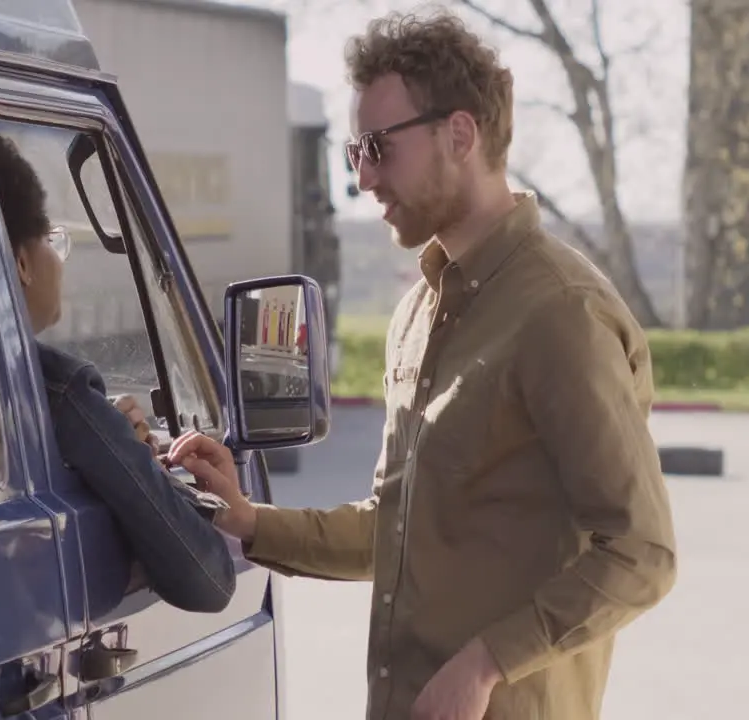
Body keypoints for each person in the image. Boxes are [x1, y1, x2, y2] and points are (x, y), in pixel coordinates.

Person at [167, 9, 677, 720]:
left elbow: (642, 552)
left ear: (459, 135)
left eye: (378, 147)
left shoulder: (562, 314)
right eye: (355, 151)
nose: (364, 177)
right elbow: (395, 530)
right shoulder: (416, 316)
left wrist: (486, 662)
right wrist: (251, 521)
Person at [0, 130, 236, 614]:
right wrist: (115, 439)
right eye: (52, 240)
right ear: (21, 262)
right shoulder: (59, 394)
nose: (59, 259)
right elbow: (209, 578)